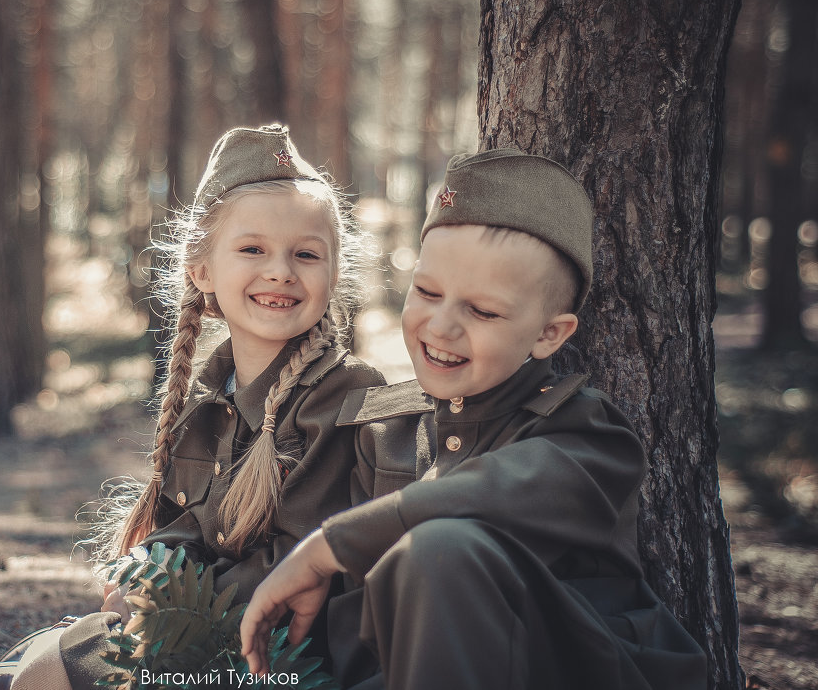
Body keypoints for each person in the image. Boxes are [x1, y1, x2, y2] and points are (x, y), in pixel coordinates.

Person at [240, 148, 709, 690]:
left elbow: (492, 492)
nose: (441, 327)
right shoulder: (384, 432)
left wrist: (333, 544)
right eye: (427, 292)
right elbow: (359, 631)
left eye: (482, 311)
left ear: (548, 334)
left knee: (438, 551)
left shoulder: (588, 436)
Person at [0, 124, 386, 690]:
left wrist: (162, 607)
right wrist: (147, 570)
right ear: (202, 270)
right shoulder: (209, 403)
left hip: (273, 659)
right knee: (11, 671)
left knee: (40, 674)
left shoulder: (344, 395)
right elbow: (188, 527)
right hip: (199, 631)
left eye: (306, 254)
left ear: (333, 276)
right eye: (253, 249)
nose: (281, 270)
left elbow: (296, 567)